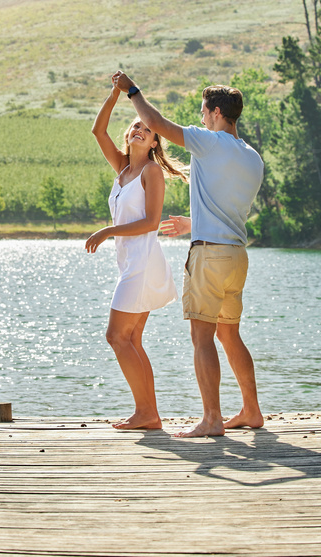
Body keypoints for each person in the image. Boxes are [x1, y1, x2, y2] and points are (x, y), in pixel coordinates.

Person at [112, 71, 265, 438]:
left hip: (208, 258)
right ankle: (252, 410)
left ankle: (212, 419)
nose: (200, 118)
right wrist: (193, 224)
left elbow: (156, 123)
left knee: (202, 338)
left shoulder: (211, 142)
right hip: (235, 256)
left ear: (215, 113)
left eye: (202, 112)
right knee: (230, 335)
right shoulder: (252, 158)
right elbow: (226, 207)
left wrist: (132, 90)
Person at [85, 80, 188, 430]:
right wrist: (114, 96)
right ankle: (149, 414)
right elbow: (98, 131)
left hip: (143, 263)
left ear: (156, 140)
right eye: (135, 126)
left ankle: (147, 412)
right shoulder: (123, 169)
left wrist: (107, 230)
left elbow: (151, 222)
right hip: (130, 263)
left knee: (116, 336)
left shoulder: (151, 171)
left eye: (146, 128)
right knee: (131, 339)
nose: (139, 129)